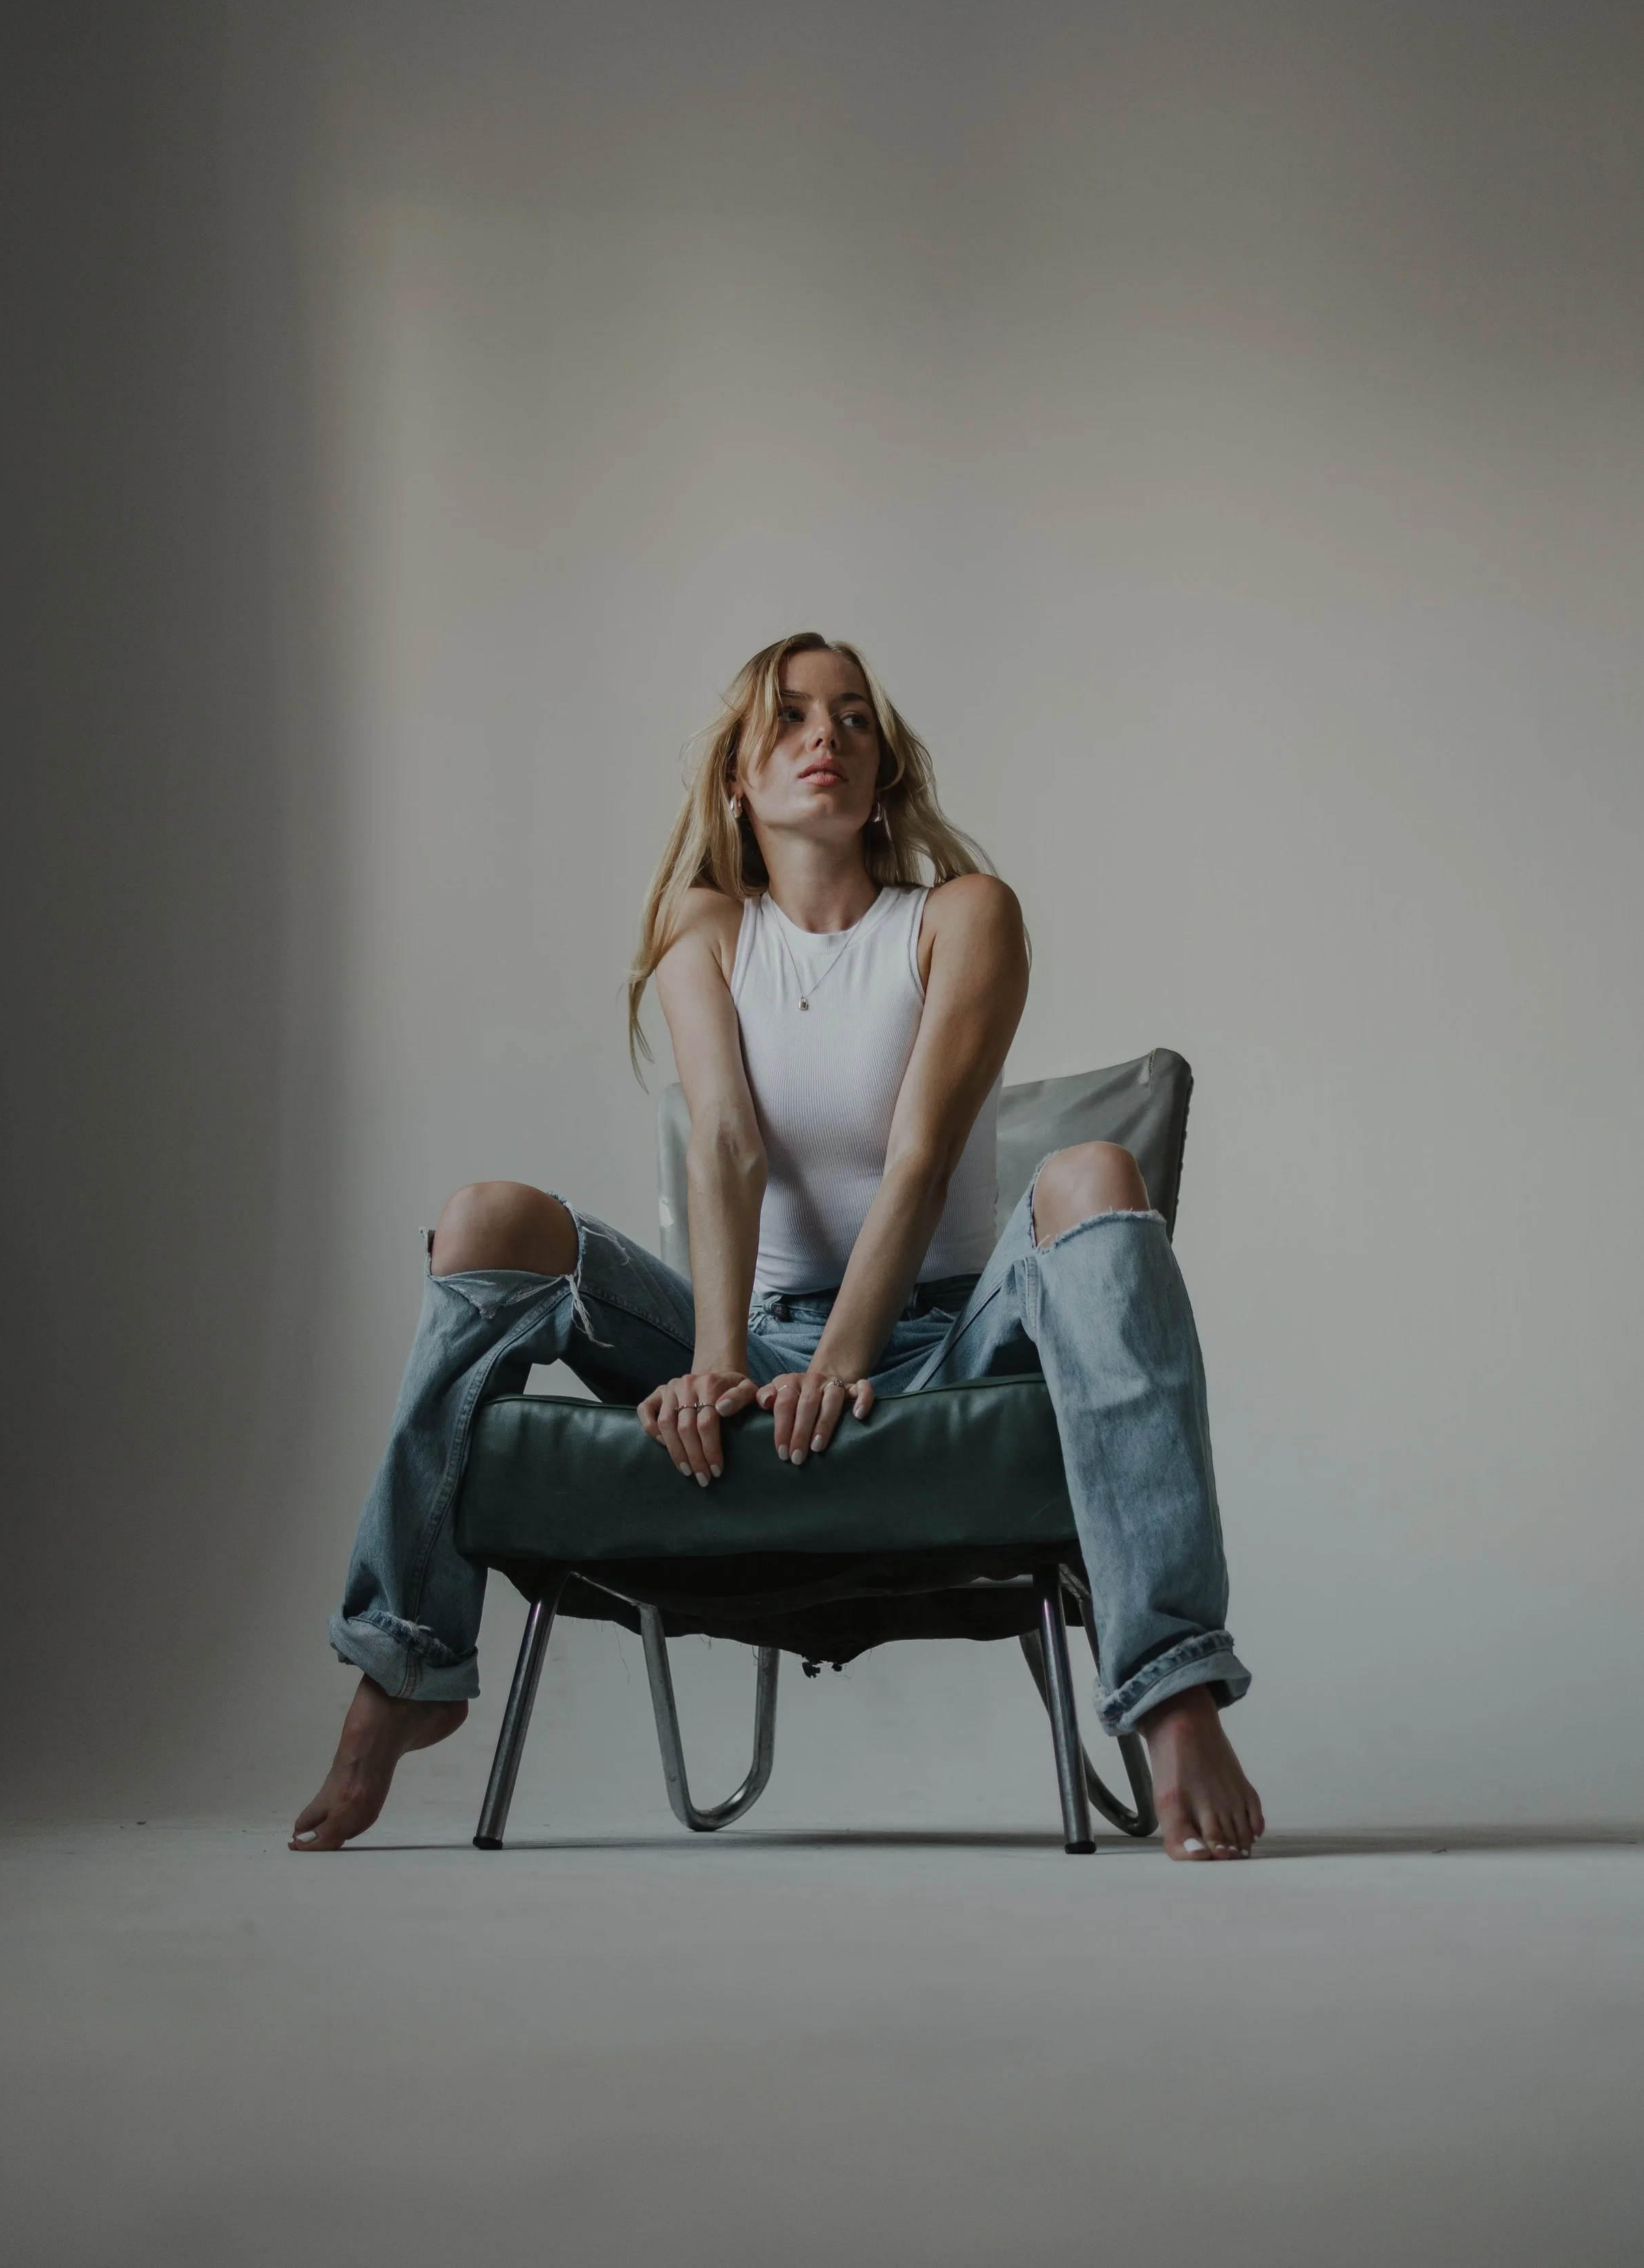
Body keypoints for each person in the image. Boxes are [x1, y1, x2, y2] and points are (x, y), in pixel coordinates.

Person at [293, 631, 1264, 1861]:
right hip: (755, 1337)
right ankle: (406, 1663)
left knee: (1096, 1176)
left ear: (885, 769)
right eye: (793, 718)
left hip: (948, 1334)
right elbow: (728, 1141)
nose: (828, 736)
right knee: (486, 1219)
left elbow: (919, 1155)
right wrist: (716, 1364)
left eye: (854, 718)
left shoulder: (964, 916)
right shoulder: (703, 923)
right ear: (739, 781)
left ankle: (1173, 1689)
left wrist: (845, 1359)